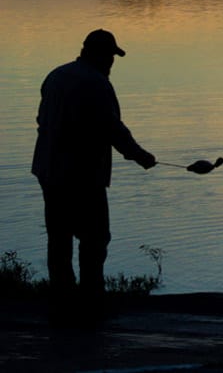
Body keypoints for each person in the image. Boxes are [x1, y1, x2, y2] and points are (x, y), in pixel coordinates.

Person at [32, 29, 156, 322]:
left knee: (59, 237)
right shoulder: (97, 83)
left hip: (49, 171)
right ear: (100, 56)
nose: (112, 64)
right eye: (111, 57)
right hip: (81, 174)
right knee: (95, 237)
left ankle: (62, 298)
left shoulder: (56, 75)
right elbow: (111, 128)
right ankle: (91, 299)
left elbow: (41, 120)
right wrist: (140, 156)